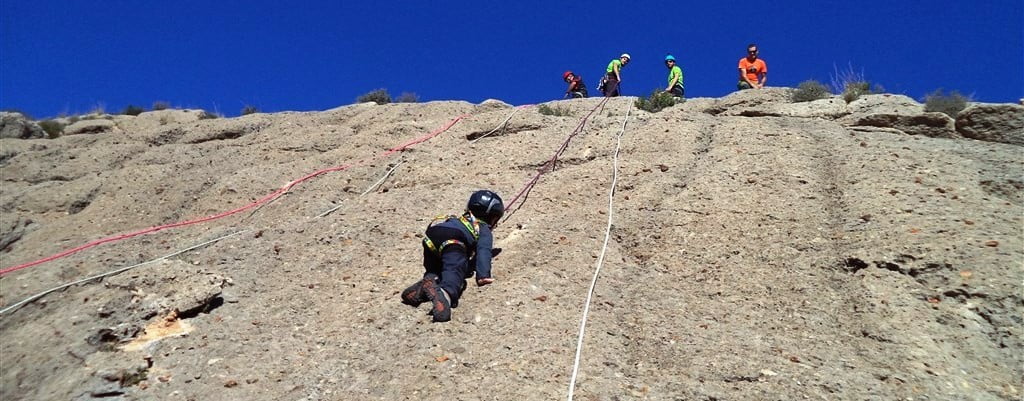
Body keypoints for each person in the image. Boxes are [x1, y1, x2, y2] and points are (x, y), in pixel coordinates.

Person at [400, 190, 504, 323]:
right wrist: (483, 276)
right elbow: (484, 251)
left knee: (437, 269)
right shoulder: (483, 229)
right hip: (454, 240)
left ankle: (427, 284)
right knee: (455, 271)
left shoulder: (459, 220)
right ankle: (445, 295)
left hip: (432, 237)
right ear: (493, 218)